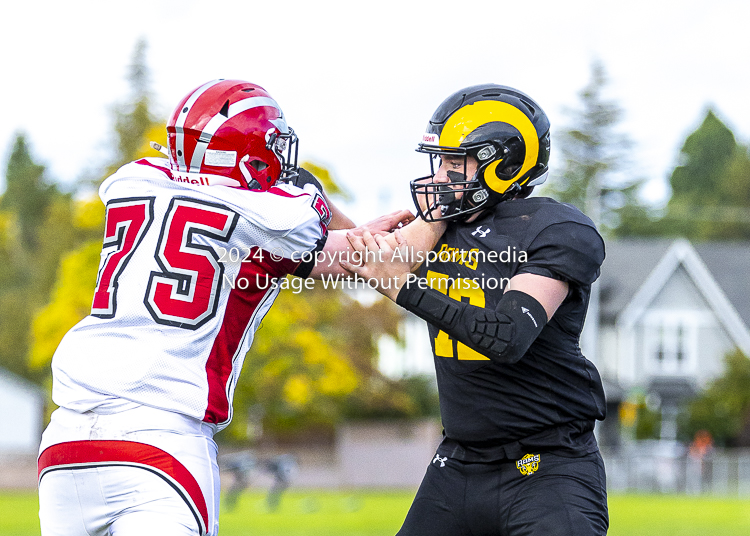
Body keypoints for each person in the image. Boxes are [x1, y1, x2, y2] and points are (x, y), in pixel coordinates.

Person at [36, 79, 412, 536]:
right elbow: (314, 226)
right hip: (160, 439)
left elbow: (251, 232)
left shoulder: (133, 180)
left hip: (66, 443)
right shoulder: (275, 213)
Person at [343, 84, 609, 536]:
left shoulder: (556, 229)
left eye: (453, 163)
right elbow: (360, 258)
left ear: (503, 164)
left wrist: (402, 286)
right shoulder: (438, 227)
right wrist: (313, 205)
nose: (440, 177)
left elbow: (507, 337)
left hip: (548, 466)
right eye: (440, 163)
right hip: (460, 462)